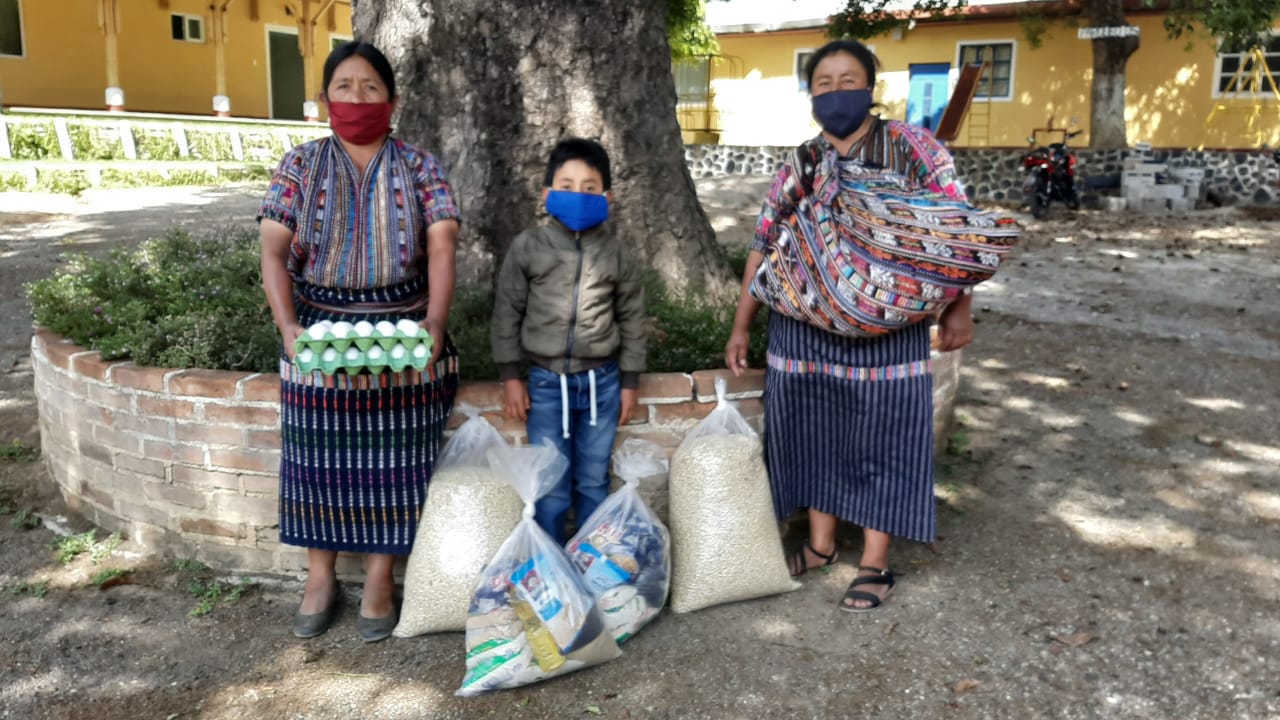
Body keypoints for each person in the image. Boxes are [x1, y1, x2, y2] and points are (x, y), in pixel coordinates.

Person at [724, 39, 977, 612]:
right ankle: (820, 546)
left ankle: (874, 562)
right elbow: (764, 244)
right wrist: (741, 326)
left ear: (870, 88)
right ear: (810, 94)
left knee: (884, 435)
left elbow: (956, 229)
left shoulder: (912, 148)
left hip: (889, 328)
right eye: (824, 83)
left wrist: (958, 306)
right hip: (804, 329)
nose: (836, 92)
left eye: (848, 81)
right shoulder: (803, 162)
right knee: (810, 430)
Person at [257, 41, 461, 641]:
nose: (357, 97)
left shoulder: (420, 167)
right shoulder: (300, 165)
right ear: (324, 98)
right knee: (314, 459)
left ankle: (379, 579)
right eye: (344, 86)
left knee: (398, 461)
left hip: (405, 332)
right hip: (319, 333)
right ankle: (319, 577)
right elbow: (272, 251)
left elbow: (443, 245)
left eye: (371, 87)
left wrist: (436, 324)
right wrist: (288, 328)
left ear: (392, 100)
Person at [491, 138, 646, 545]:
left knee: (593, 480)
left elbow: (632, 318)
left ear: (607, 197)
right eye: (567, 185)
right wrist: (511, 377)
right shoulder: (528, 247)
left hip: (602, 384)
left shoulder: (617, 254)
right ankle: (551, 562)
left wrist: (630, 381)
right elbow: (507, 312)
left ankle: (591, 561)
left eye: (590, 188)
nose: (578, 194)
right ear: (547, 193)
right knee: (552, 484)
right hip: (545, 384)